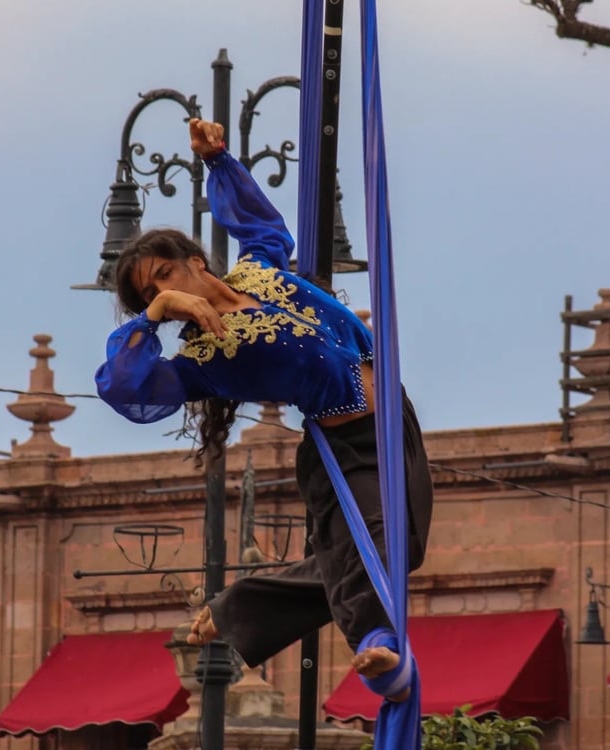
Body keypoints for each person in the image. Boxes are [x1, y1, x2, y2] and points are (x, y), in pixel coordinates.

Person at [95, 118, 433, 700]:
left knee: (406, 548)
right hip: (344, 450)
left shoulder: (260, 270)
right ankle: (381, 649)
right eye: (150, 295)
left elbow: (261, 223)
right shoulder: (206, 358)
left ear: (195, 261)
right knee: (375, 544)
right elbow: (122, 385)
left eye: (164, 279)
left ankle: (243, 606)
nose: (162, 295)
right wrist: (153, 318)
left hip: (393, 418)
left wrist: (218, 161)